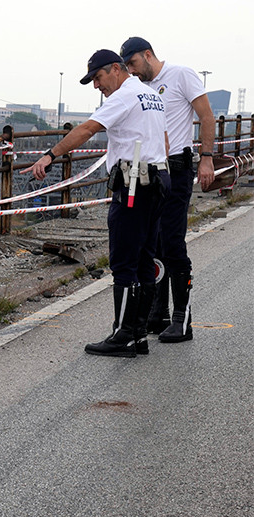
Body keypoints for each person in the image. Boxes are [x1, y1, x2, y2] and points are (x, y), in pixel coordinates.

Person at [22, 49, 170, 358]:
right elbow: (163, 138)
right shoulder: (150, 95)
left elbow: (88, 129)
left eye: (98, 78)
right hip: (157, 182)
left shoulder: (124, 96)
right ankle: (138, 335)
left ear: (116, 69)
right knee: (145, 261)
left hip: (134, 186)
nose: (96, 86)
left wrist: (50, 156)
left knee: (124, 262)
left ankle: (124, 335)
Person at [120, 37, 215, 344]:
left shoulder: (181, 74)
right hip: (154, 169)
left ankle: (182, 319)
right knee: (154, 242)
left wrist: (207, 159)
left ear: (148, 54)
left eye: (134, 63)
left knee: (173, 242)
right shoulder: (140, 87)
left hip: (179, 166)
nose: (132, 71)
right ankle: (158, 313)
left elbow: (207, 116)